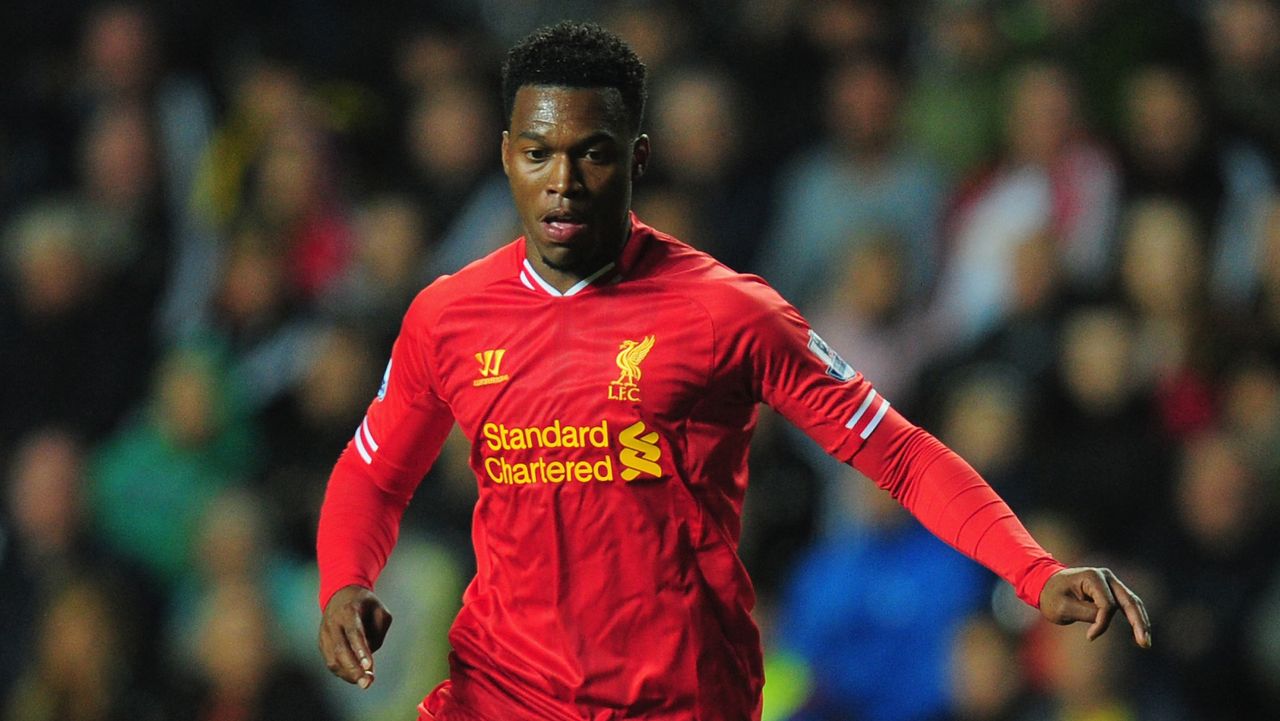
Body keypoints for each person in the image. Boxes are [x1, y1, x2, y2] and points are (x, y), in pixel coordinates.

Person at [316, 21, 1151, 721]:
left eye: (592, 154)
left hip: (679, 698)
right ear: (505, 156)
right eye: (539, 153)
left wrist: (1032, 569)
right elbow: (373, 470)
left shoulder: (727, 313)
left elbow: (893, 451)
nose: (563, 182)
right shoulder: (449, 314)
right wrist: (344, 581)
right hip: (505, 691)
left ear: (638, 158)